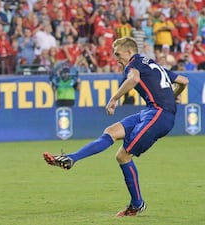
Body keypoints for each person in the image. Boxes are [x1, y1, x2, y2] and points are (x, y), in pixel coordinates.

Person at [43, 37, 189, 217]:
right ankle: (71, 158)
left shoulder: (133, 64)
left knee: (123, 155)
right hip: (152, 111)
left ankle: (137, 204)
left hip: (160, 114)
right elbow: (184, 81)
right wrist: (175, 95)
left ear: (129, 52)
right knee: (111, 132)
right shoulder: (152, 64)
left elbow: (134, 79)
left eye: (118, 55)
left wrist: (114, 98)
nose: (116, 59)